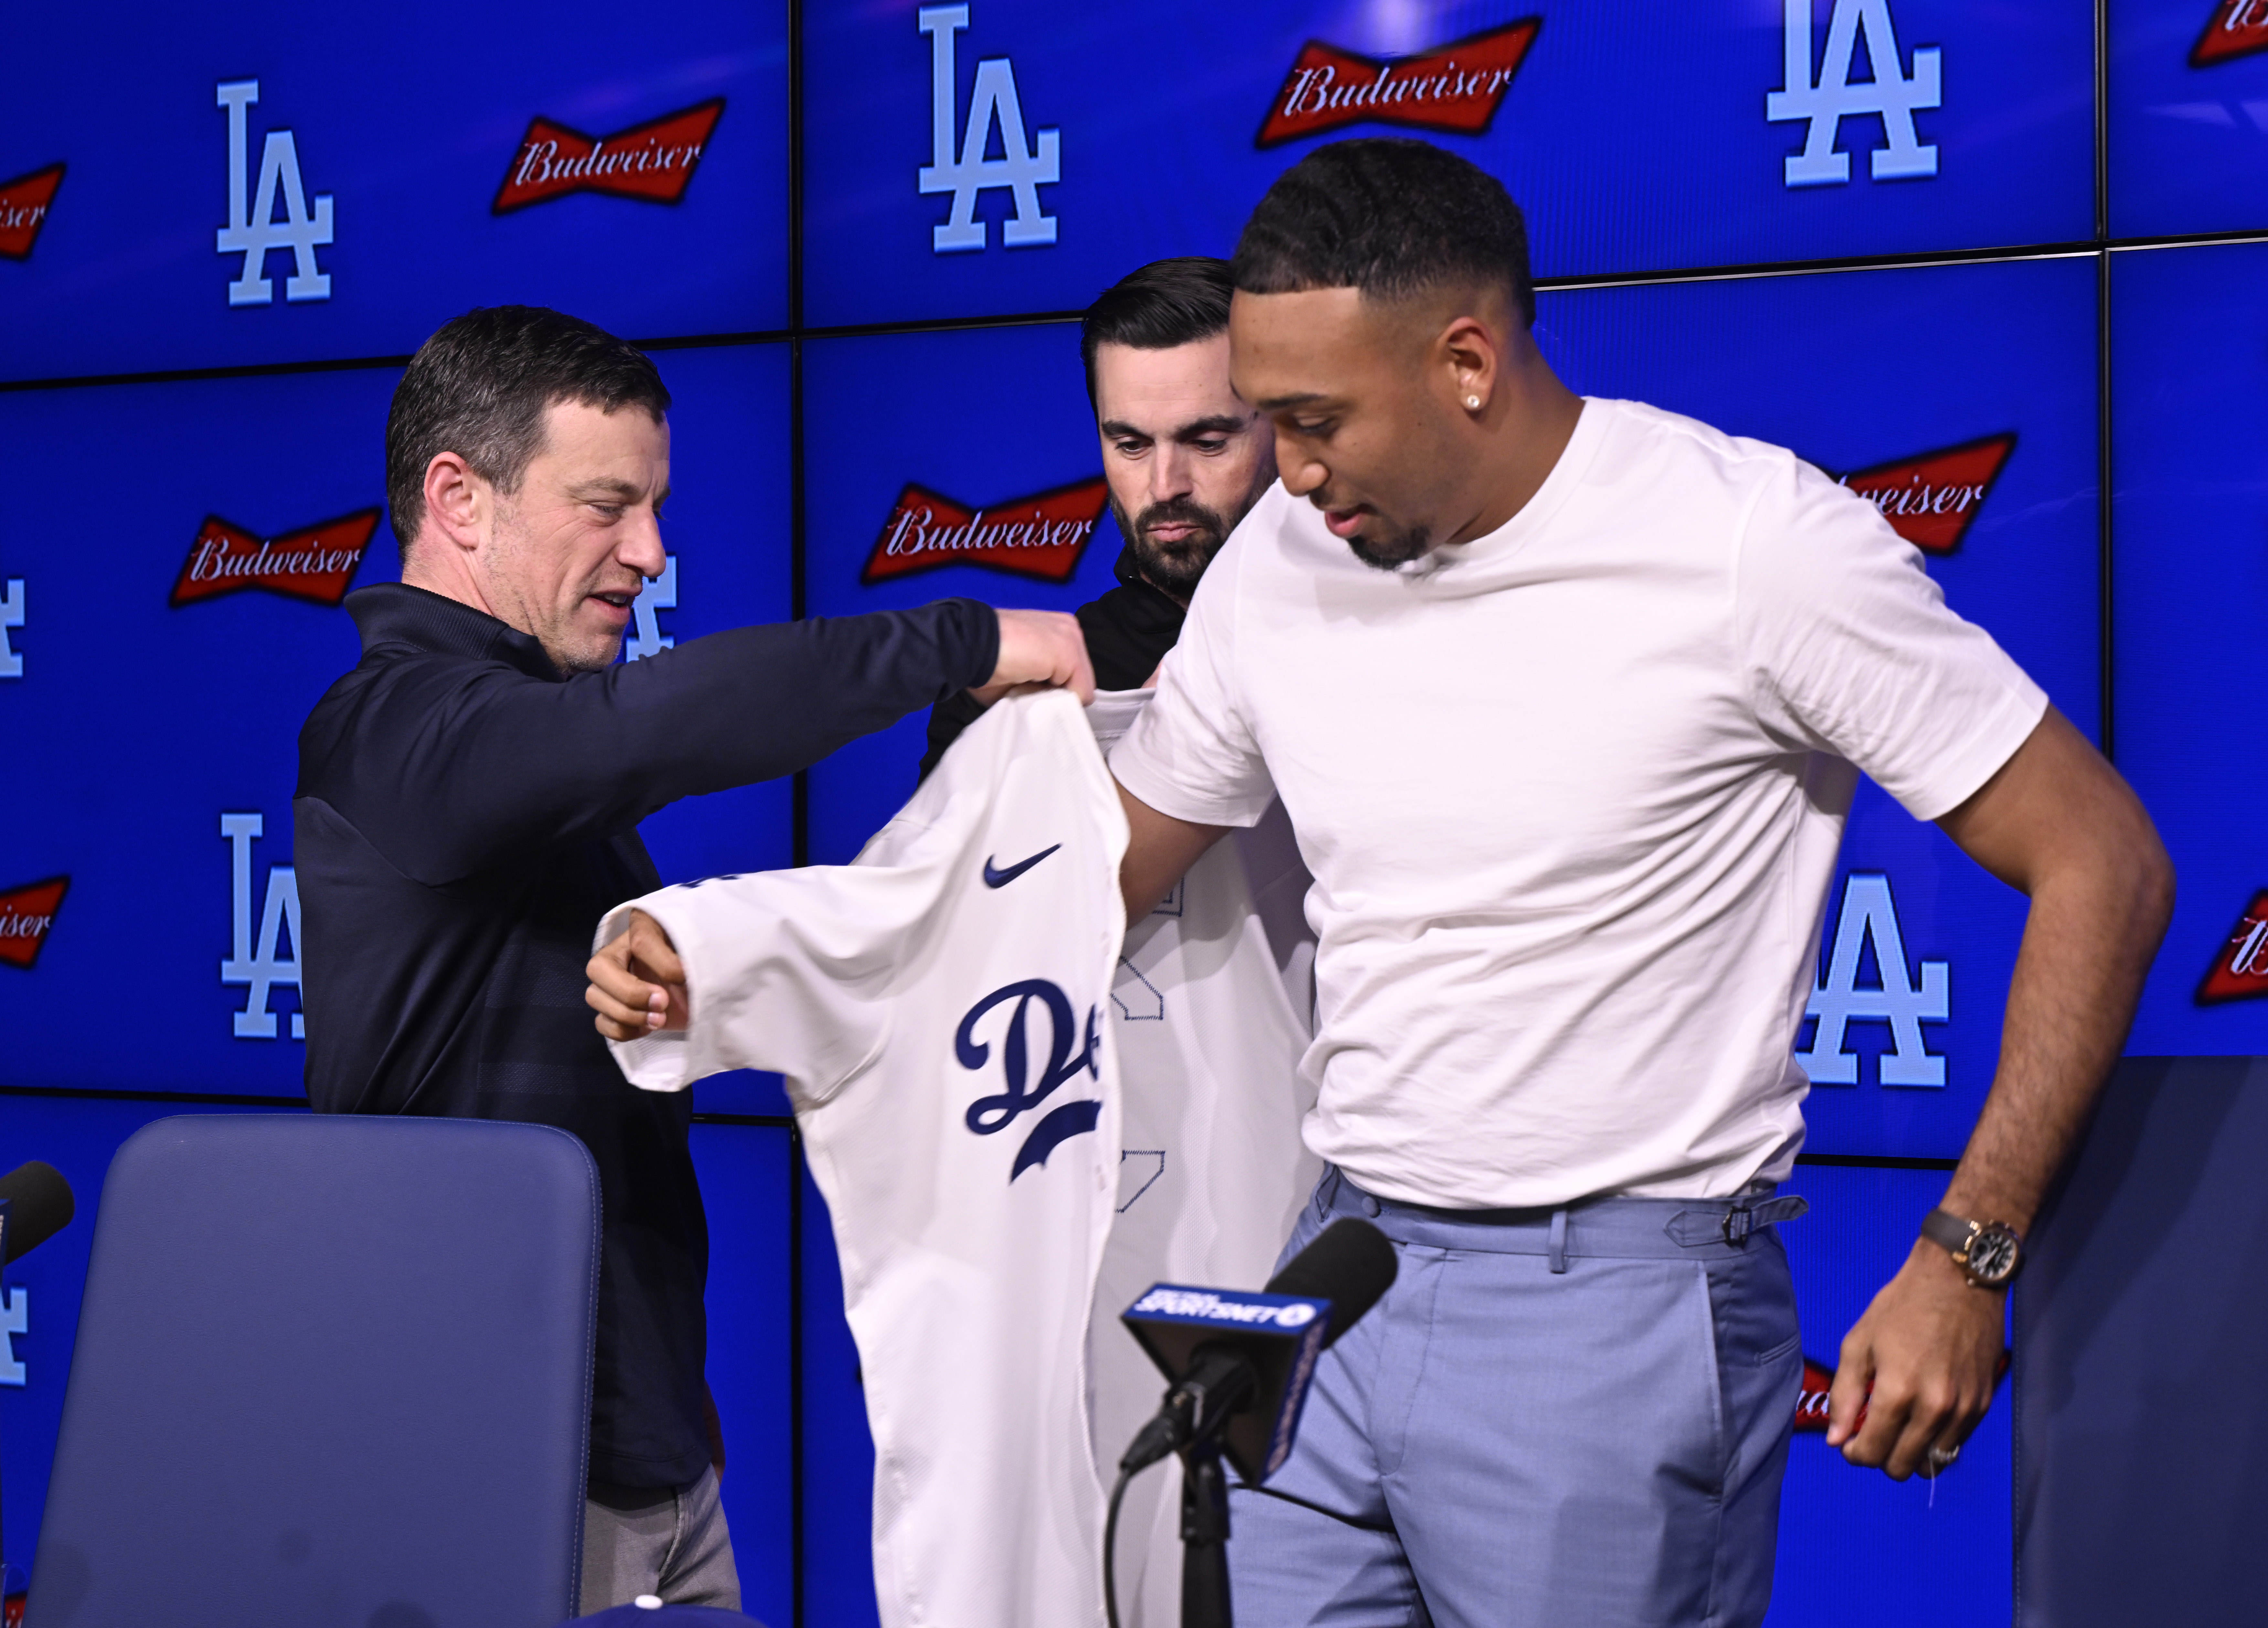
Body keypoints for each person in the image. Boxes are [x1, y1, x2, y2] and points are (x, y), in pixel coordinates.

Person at [1104, 140, 2175, 1627]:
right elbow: (1107, 866)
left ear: (1467, 360)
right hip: (1333, 1266)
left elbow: (2101, 859)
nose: (1283, 470)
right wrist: (778, 946)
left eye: (1313, 419)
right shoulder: (1284, 557)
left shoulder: (1748, 546)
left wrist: (1967, 1249)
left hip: (1607, 1307)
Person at [293, 306, 1089, 1615]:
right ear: (459, 500)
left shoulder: (519, 733)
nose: (651, 554)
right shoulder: (393, 724)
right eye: (607, 504)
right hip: (493, 1471)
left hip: (651, 1461)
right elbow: (638, 730)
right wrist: (954, 639)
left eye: (653, 508)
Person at [919, 256, 1276, 775]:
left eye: (1207, 442)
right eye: (1131, 445)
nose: (1165, 485)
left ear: (1288, 432)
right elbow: (945, 856)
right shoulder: (1013, 698)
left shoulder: (1378, 626)